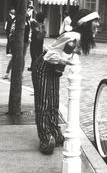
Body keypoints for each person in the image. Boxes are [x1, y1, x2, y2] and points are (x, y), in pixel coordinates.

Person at [32, 9, 99, 155]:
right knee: (44, 104)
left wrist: (69, 56)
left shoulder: (77, 37)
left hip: (52, 69)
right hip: (44, 67)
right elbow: (50, 55)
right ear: (86, 23)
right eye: (95, 21)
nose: (98, 24)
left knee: (54, 102)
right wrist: (65, 60)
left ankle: (55, 133)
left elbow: (65, 52)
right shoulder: (73, 36)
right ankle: (45, 138)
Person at [3, 10, 32, 79]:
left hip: (25, 42)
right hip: (17, 41)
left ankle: (20, 73)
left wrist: (29, 38)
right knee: (14, 57)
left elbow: (30, 30)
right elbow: (12, 31)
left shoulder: (28, 21)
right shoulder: (16, 21)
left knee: (22, 58)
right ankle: (8, 72)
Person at [3, 9, 16, 79]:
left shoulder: (15, 18)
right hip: (10, 33)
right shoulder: (9, 18)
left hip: (12, 34)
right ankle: (8, 51)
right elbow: (6, 25)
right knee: (9, 42)